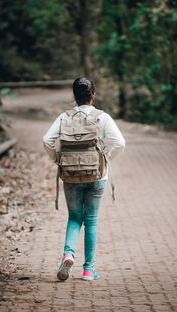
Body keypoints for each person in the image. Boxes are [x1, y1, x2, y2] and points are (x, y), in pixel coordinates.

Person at [43, 77, 125, 281]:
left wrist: (57, 159)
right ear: (93, 95)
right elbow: (120, 142)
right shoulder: (102, 117)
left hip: (70, 174)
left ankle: (68, 254)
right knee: (91, 220)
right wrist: (105, 158)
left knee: (74, 217)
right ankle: (88, 270)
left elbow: (47, 140)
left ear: (74, 96)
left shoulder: (64, 116)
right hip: (97, 175)